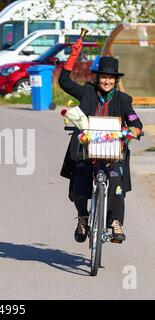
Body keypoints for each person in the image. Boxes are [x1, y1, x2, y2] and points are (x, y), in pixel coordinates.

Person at [59, 38, 142, 244]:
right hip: (88, 150)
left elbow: (134, 120)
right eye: (103, 77)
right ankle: (82, 218)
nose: (106, 81)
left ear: (115, 80)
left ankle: (115, 223)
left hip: (113, 152)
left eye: (110, 78)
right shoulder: (88, 92)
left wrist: (135, 130)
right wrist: (73, 56)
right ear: (98, 78)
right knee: (80, 177)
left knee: (115, 179)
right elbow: (64, 82)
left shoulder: (123, 100)